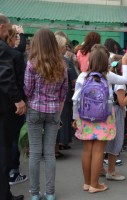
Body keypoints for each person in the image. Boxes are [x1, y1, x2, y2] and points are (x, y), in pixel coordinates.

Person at [72, 44, 127, 193]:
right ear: (105, 63)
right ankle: (95, 185)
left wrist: (75, 118)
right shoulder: (108, 76)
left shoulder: (83, 76)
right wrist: (126, 61)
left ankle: (87, 183)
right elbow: (126, 79)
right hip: (103, 118)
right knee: (98, 151)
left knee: (87, 150)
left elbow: (75, 99)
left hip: (85, 117)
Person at [24, 28, 68, 200]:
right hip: (54, 111)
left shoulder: (32, 63)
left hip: (35, 109)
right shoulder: (62, 65)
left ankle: (34, 194)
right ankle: (50, 193)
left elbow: (27, 90)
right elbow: (64, 92)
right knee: (49, 153)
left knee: (35, 152)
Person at [0, 13, 25, 200]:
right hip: (4, 110)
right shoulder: (2, 49)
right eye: (9, 30)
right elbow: (5, 75)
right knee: (4, 152)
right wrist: (18, 99)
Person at [105, 58, 127, 181]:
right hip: (116, 113)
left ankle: (105, 170)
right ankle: (111, 171)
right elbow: (122, 102)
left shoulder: (118, 80)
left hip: (113, 112)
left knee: (111, 141)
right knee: (116, 140)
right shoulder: (120, 83)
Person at [5, 25, 28, 185]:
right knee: (15, 138)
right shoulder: (15, 55)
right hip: (15, 103)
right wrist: (21, 99)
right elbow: (20, 80)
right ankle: (13, 171)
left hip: (4, 102)